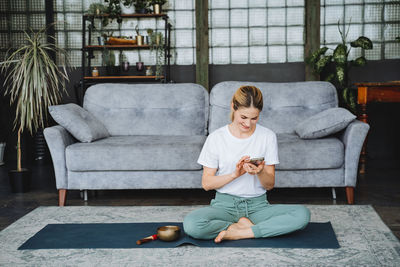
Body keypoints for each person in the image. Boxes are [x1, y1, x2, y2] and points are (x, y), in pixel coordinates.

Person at [183, 85, 310, 243]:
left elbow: (269, 184)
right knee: (192, 224)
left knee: (302, 215)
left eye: (254, 118)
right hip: (224, 206)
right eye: (243, 117)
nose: (248, 124)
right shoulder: (216, 138)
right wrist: (234, 175)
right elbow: (206, 183)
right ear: (233, 107)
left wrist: (260, 172)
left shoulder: (267, 136)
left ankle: (240, 232)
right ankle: (246, 228)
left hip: (258, 207)